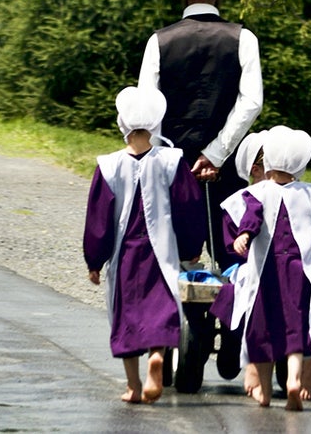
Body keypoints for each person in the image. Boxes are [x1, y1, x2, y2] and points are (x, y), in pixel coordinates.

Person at [138, 0, 263, 270]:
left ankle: (193, 321)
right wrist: (216, 153)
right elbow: (251, 102)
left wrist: (167, 161)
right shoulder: (244, 38)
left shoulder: (159, 42)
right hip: (227, 165)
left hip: (174, 165)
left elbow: (147, 110)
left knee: (179, 256)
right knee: (234, 253)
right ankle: (233, 320)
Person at [210, 130, 311, 402]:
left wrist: (243, 235)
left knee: (261, 324)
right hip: (296, 271)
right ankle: (294, 375)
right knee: (300, 319)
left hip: (263, 271)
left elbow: (246, 223)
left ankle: (263, 385)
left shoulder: (254, 195)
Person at [83, 86, 206, 404]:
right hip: (160, 254)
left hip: (126, 254)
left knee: (128, 316)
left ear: (122, 124)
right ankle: (157, 356)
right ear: (155, 124)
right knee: (160, 309)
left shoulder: (108, 166)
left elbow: (99, 218)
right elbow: (188, 206)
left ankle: (133, 385)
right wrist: (191, 246)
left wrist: (94, 260)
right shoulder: (171, 161)